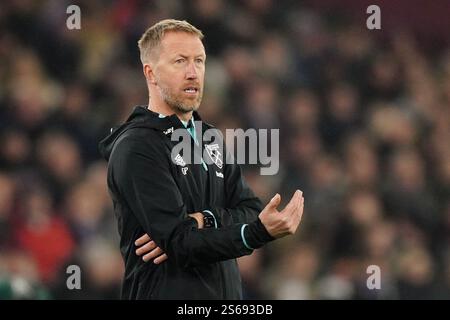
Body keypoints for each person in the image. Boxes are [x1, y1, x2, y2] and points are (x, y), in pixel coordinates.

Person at [99, 19, 304, 299]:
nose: (193, 73)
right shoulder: (137, 146)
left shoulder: (209, 138)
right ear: (151, 73)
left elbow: (251, 208)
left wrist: (204, 219)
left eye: (199, 61)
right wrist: (252, 233)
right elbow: (181, 243)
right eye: (180, 61)